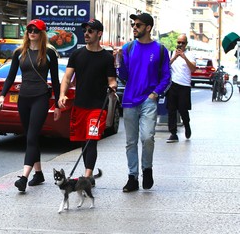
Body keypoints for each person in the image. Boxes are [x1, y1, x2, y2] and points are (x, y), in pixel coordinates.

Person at [0, 19, 61, 192]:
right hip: (23, 98)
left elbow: (55, 80)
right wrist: (2, 95)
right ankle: (38, 174)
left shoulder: (49, 53)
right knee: (30, 136)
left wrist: (57, 105)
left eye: (36, 30)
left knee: (32, 137)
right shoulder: (19, 52)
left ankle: (24, 177)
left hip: (40, 97)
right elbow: (10, 77)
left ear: (42, 33)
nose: (32, 32)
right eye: (29, 29)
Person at [116, 13, 171, 192]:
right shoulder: (128, 48)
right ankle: (132, 177)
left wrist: (155, 93)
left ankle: (147, 169)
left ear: (148, 28)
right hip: (130, 100)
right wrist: (120, 63)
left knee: (147, 137)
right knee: (131, 142)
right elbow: (124, 76)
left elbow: (166, 77)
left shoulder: (160, 50)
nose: (134, 27)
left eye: (138, 25)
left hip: (148, 100)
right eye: (133, 24)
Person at [58, 19, 117, 183]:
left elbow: (112, 80)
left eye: (90, 31)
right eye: (85, 31)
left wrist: (112, 87)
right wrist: (62, 94)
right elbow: (67, 77)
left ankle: (87, 175)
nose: (86, 34)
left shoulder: (106, 57)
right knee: (84, 140)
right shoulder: (77, 55)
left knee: (91, 140)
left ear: (99, 34)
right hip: (80, 105)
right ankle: (88, 177)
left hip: (98, 107)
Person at [166, 34, 196, 143]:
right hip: (173, 85)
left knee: (183, 109)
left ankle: (187, 125)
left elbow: (193, 69)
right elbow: (165, 66)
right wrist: (175, 57)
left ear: (186, 44)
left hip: (185, 86)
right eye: (178, 42)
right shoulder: (171, 53)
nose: (180, 45)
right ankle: (173, 133)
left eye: (182, 43)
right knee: (171, 110)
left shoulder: (190, 55)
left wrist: (184, 57)